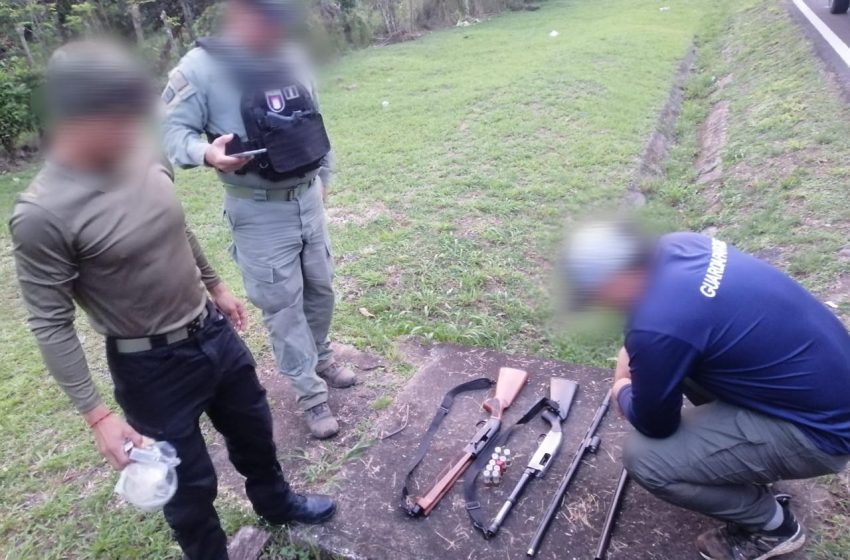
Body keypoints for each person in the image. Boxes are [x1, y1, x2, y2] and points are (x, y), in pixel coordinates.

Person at [10, 41, 335, 560]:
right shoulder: (41, 213)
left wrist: (216, 286)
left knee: (254, 431)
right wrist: (97, 416)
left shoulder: (144, 155)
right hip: (150, 367)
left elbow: (176, 227)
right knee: (189, 486)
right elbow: (50, 324)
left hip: (211, 331)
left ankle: (276, 504)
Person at [561, 222, 850, 560]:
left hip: (822, 436)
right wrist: (640, 347)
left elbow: (656, 423)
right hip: (822, 390)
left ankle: (773, 527)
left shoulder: (660, 325)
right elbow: (664, 335)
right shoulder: (681, 246)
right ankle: (742, 465)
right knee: (678, 361)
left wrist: (621, 386)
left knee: (646, 458)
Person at [162, 0, 354, 439]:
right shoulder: (201, 67)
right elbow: (171, 133)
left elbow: (313, 119)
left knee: (321, 290)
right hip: (258, 210)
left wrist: (324, 177)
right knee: (283, 306)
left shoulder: (289, 55)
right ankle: (310, 395)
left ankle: (322, 357)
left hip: (307, 200)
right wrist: (206, 153)